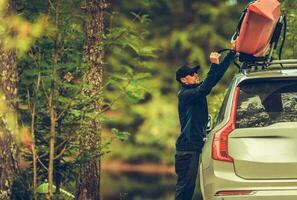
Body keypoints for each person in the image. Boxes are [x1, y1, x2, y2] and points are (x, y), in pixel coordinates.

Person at [174, 47, 237, 200]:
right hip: (187, 149)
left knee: (189, 188)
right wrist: (213, 65)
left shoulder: (195, 89)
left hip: (194, 147)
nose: (196, 75)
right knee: (185, 188)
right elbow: (205, 88)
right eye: (191, 74)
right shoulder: (186, 94)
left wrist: (231, 55)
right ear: (183, 80)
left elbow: (213, 79)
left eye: (196, 73)